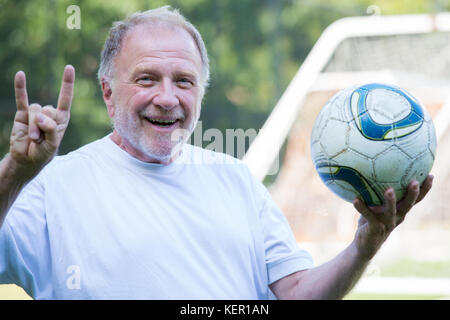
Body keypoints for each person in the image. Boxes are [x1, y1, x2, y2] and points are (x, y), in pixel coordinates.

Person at [0, 6, 433, 300]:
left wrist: (364, 245)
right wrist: (15, 171)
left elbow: (296, 291)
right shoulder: (49, 186)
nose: (167, 98)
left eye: (184, 81)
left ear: (201, 95)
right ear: (109, 94)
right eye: (147, 79)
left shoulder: (236, 180)